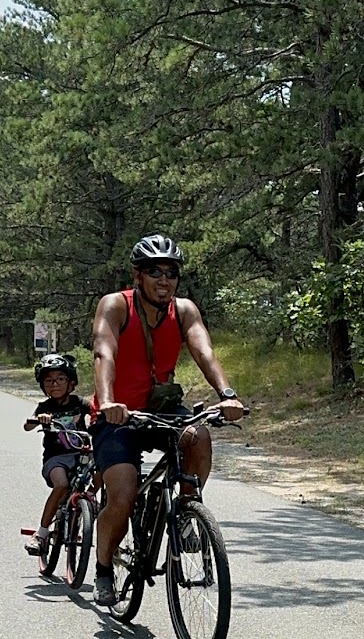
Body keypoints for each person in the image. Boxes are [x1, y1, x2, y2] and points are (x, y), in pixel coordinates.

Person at [89, 235, 245, 606]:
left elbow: (203, 349)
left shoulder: (185, 310)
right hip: (118, 414)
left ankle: (187, 513)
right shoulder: (116, 306)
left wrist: (227, 395)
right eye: (154, 271)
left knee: (198, 435)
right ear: (137, 275)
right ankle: (104, 569)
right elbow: (103, 352)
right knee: (124, 494)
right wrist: (109, 401)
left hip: (159, 409)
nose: (164, 279)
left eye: (171, 272)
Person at [22, 353, 90, 557]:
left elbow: (96, 412)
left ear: (71, 383)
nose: (54, 384)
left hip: (82, 455)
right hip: (56, 458)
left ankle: (86, 517)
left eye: (60, 379)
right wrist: (39, 419)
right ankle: (41, 534)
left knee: (101, 477)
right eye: (48, 381)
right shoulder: (45, 407)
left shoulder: (80, 403)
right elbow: (27, 425)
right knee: (61, 484)